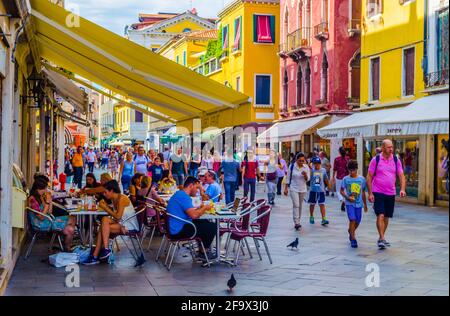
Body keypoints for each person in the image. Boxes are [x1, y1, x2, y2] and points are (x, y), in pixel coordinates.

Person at [83, 180, 139, 265]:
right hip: (122, 223)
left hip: (129, 225)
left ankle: (97, 254)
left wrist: (105, 207)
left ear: (112, 191)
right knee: (104, 219)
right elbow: (117, 218)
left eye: (105, 192)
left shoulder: (122, 199)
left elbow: (118, 216)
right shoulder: (114, 199)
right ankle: (102, 251)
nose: (104, 194)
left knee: (103, 226)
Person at [366, 139, 406, 250]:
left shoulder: (395, 159)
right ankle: (382, 238)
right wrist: (370, 193)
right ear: (383, 148)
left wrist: (402, 189)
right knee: (381, 214)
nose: (391, 149)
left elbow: (401, 176)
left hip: (390, 192)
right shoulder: (376, 159)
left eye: (392, 147)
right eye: (389, 147)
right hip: (378, 191)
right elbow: (369, 177)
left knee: (387, 216)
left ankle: (381, 238)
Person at [166, 176, 216, 260]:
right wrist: (205, 208)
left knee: (205, 223)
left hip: (176, 226)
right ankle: (203, 252)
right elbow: (194, 215)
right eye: (196, 188)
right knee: (212, 227)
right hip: (178, 230)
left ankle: (202, 250)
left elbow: (189, 211)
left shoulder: (180, 194)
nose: (197, 191)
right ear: (191, 186)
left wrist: (200, 208)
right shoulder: (184, 197)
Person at [28, 178, 76, 251]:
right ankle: (67, 246)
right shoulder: (32, 199)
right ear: (37, 189)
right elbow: (41, 218)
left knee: (73, 218)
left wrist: (49, 201)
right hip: (40, 224)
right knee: (71, 229)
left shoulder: (40, 196)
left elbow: (49, 212)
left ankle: (65, 239)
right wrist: (47, 203)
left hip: (48, 219)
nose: (45, 191)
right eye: (43, 189)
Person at [340, 160, 368, 248]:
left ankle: (351, 231)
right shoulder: (345, 179)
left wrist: (365, 204)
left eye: (353, 170)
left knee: (358, 221)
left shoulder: (361, 179)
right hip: (349, 203)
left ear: (357, 169)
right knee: (352, 219)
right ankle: (353, 238)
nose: (351, 172)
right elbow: (341, 191)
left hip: (359, 204)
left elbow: (363, 192)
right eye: (350, 170)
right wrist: (347, 198)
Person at [284, 153, 310, 231]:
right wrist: (286, 188)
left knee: (300, 205)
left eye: (303, 161)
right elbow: (288, 178)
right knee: (296, 204)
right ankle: (296, 222)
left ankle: (298, 220)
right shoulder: (292, 166)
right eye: (300, 161)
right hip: (293, 188)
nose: (301, 162)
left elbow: (308, 179)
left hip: (302, 189)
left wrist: (305, 175)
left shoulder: (306, 167)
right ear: (296, 160)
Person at [308, 157, 331, 226]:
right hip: (313, 191)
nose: (317, 165)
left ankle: (323, 219)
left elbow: (326, 178)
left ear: (320, 164)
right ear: (313, 164)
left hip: (321, 191)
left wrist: (329, 185)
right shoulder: (311, 171)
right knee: (312, 204)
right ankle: (311, 216)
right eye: (315, 164)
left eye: (318, 164)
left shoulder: (323, 170)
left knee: (322, 204)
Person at [333, 147, 350, 212]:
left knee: (338, 190)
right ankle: (344, 201)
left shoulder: (337, 159)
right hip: (346, 177)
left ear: (339, 152)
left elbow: (334, 168)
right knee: (345, 190)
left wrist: (333, 177)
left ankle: (342, 200)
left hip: (339, 177)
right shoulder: (348, 158)